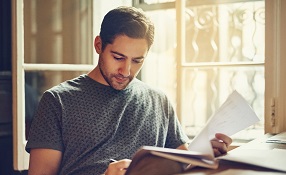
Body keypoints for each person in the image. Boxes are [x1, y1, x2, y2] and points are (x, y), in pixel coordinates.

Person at [25, 6, 232, 175]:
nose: (126, 70)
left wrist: (207, 154)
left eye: (137, 61)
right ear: (99, 45)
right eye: (118, 57)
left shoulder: (159, 100)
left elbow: (183, 163)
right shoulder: (57, 101)